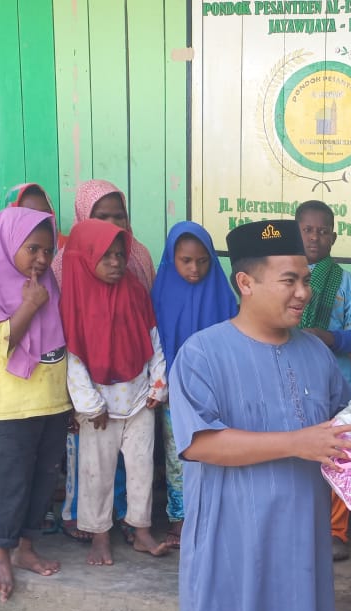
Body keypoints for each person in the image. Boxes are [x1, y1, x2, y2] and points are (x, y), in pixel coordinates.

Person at [163, 219, 351, 611]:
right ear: (245, 283)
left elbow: (343, 430)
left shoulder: (316, 354)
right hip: (231, 537)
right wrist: (297, 442)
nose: (303, 293)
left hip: (299, 536)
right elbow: (201, 443)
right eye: (289, 280)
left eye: (306, 280)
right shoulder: (202, 353)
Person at [0, 207, 71, 601]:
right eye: (33, 249)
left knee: (44, 479)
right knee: (11, 480)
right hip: (12, 406)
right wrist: (29, 305)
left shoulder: (48, 286)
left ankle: (26, 547)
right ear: (9, 245)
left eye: (48, 251)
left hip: (52, 402)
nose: (42, 259)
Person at [62, 220, 168, 566]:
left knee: (141, 469)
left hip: (139, 399)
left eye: (120, 255)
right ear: (86, 256)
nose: (115, 262)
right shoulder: (76, 298)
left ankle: (141, 530)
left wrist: (158, 384)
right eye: (105, 255)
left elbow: (153, 338)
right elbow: (73, 357)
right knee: (96, 472)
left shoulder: (134, 290)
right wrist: (90, 406)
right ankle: (100, 536)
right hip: (99, 408)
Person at [55, 179, 154, 544]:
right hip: (90, 393)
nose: (113, 225)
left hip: (134, 387)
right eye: (101, 216)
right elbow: (70, 343)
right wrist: (82, 401)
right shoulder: (65, 264)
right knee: (92, 466)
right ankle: (93, 525)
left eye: (119, 216)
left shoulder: (137, 258)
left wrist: (156, 383)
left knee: (137, 465)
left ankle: (132, 522)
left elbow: (148, 328)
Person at [152, 222, 238, 549]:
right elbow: (156, 344)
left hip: (216, 392)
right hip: (174, 393)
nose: (194, 269)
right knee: (179, 456)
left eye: (203, 261)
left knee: (217, 453)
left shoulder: (222, 295)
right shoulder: (160, 294)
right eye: (185, 260)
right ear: (171, 258)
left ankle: (215, 518)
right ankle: (180, 519)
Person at [295, 200, 351, 561]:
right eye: (308, 230)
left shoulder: (346, 282)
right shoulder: (285, 275)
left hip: (334, 382)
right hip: (292, 381)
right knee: (297, 453)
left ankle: (335, 530)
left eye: (323, 231)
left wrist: (330, 337)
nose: (315, 237)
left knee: (338, 453)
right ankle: (298, 527)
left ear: (334, 237)